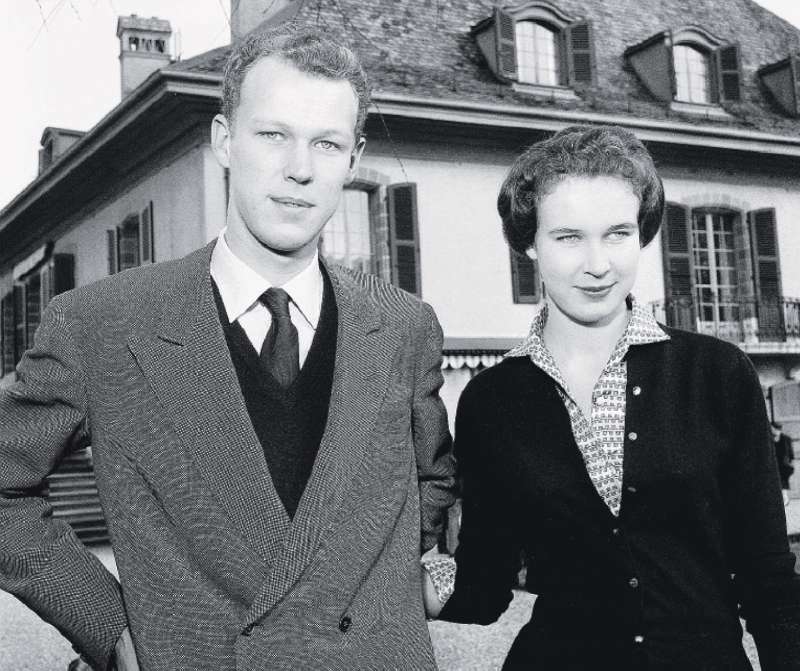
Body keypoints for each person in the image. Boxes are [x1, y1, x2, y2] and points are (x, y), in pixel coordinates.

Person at [0, 25, 455, 671]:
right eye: (273, 135)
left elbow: (433, 480)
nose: (300, 168)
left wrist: (403, 595)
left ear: (353, 161)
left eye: (326, 143)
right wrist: (105, 621)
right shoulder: (102, 325)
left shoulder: (406, 326)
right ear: (224, 140)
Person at [423, 125, 800, 670]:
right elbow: (486, 582)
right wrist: (392, 585)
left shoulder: (716, 373)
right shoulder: (493, 398)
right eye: (569, 237)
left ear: (642, 235)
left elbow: (767, 575)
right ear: (529, 243)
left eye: (618, 233)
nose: (597, 264)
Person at [772, 421, 795, 506]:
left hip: (784, 464)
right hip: (774, 464)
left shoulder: (786, 439)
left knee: (783, 481)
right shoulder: (770, 439)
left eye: (774, 429)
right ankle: (783, 498)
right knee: (778, 482)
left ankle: (785, 498)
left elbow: (791, 453)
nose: (773, 431)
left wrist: (791, 463)